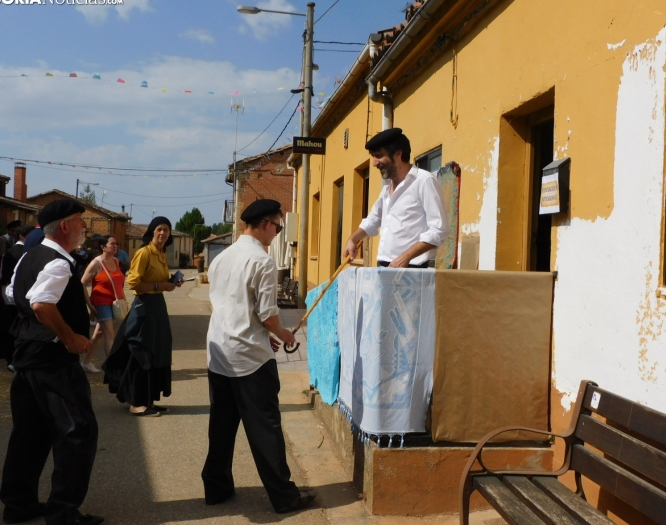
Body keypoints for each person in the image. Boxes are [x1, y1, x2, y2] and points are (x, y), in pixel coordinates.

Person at [202, 199, 316, 514]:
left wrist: (269, 332)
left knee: (222, 425)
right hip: (250, 358)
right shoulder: (262, 261)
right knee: (265, 427)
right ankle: (284, 495)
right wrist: (284, 333)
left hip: (220, 352)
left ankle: (216, 487)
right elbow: (267, 315)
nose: (278, 232)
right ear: (266, 224)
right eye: (278, 226)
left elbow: (236, 307)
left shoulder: (221, 258)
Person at [0, 199, 103, 525]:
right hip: (52, 360)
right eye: (80, 221)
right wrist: (71, 338)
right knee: (78, 431)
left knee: (30, 433)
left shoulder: (29, 256)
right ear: (65, 226)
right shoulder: (59, 263)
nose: (85, 227)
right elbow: (42, 304)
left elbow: (11, 293)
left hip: (27, 356)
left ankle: (18, 506)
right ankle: (63, 512)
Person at [103, 217, 182, 417]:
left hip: (157, 307)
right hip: (144, 307)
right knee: (141, 352)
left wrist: (170, 282)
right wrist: (159, 286)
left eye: (166, 229)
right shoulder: (144, 252)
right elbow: (133, 284)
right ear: (152, 232)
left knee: (157, 351)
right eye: (159, 229)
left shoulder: (162, 253)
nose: (163, 233)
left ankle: (148, 400)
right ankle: (136, 402)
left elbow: (158, 280)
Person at [342, 127, 449, 268]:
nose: (374, 163)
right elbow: (374, 219)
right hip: (384, 266)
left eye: (379, 156)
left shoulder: (424, 181)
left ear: (398, 154)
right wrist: (353, 239)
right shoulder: (387, 187)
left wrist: (406, 256)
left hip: (411, 268)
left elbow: (439, 230)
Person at [80, 235, 125, 374]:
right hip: (101, 303)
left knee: (99, 334)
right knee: (110, 335)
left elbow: (119, 283)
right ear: (103, 247)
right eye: (112, 244)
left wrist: (123, 298)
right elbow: (82, 283)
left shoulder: (116, 261)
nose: (115, 246)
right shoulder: (96, 263)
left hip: (114, 302)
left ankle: (86, 362)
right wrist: (89, 304)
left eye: (116, 244)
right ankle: (113, 369)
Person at [0, 225, 35, 368]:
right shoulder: (23, 252)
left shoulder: (12, 252)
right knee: (16, 328)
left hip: (11, 295)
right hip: (17, 296)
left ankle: (11, 357)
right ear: (22, 236)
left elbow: (3, 276)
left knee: (12, 326)